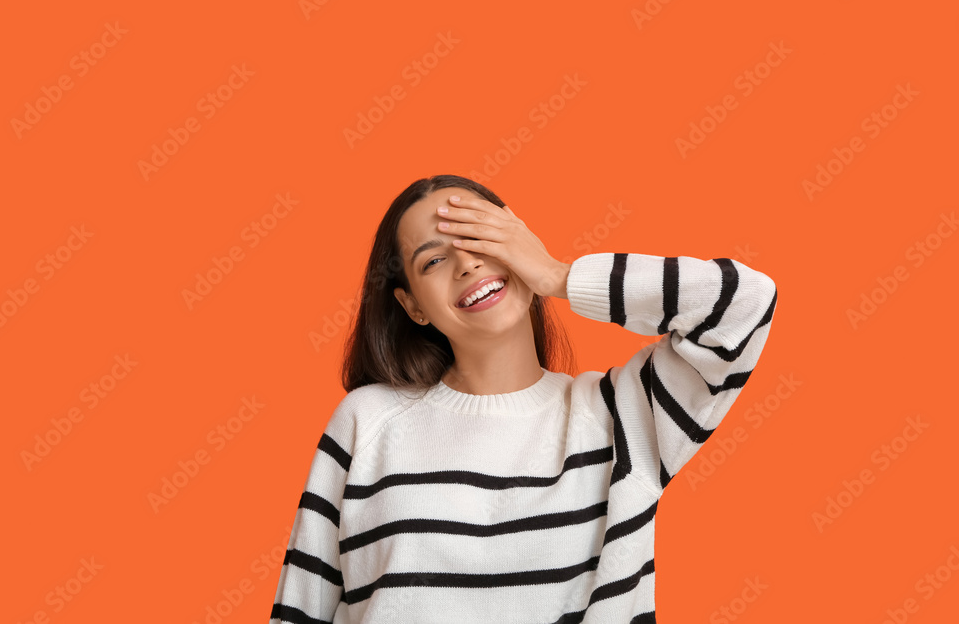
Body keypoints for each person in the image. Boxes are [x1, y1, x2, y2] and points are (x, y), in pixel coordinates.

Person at [269, 174, 778, 623]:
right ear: (412, 306)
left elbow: (743, 305)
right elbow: (301, 609)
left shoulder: (622, 415)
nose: (467, 263)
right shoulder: (368, 421)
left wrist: (558, 274)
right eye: (435, 260)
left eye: (482, 238)